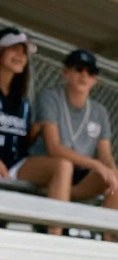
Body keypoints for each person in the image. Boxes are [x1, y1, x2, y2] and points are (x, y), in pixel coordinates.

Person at [31, 48, 118, 212]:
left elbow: (105, 154)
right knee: (64, 166)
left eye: (90, 72)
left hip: (79, 174)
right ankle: (56, 234)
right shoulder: (50, 97)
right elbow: (53, 148)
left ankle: (110, 238)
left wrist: (111, 171)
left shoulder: (100, 111)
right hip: (48, 167)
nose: (84, 75)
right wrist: (95, 164)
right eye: (79, 69)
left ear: (95, 80)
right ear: (66, 72)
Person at [0, 27, 73, 233]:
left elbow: (20, 143)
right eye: (14, 48)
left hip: (13, 166)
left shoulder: (22, 102)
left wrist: (34, 132)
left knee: (63, 166)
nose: (21, 56)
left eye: (24, 52)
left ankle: (54, 246)